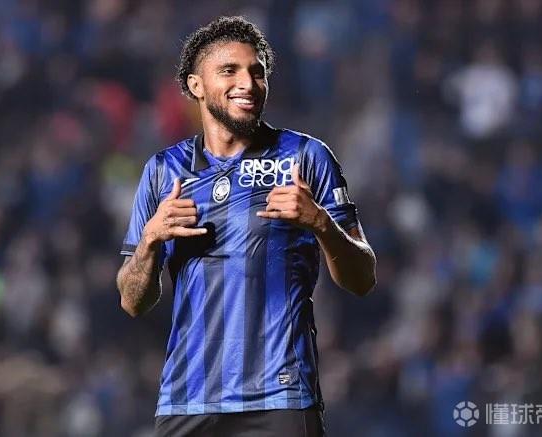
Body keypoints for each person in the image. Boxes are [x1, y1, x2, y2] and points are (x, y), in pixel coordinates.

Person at [116, 16, 376, 437]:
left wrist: (321, 223)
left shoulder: (305, 157)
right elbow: (132, 302)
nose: (248, 83)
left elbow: (362, 278)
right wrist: (149, 241)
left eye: (257, 72)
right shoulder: (164, 171)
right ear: (196, 85)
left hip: (280, 396)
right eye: (229, 70)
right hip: (188, 398)